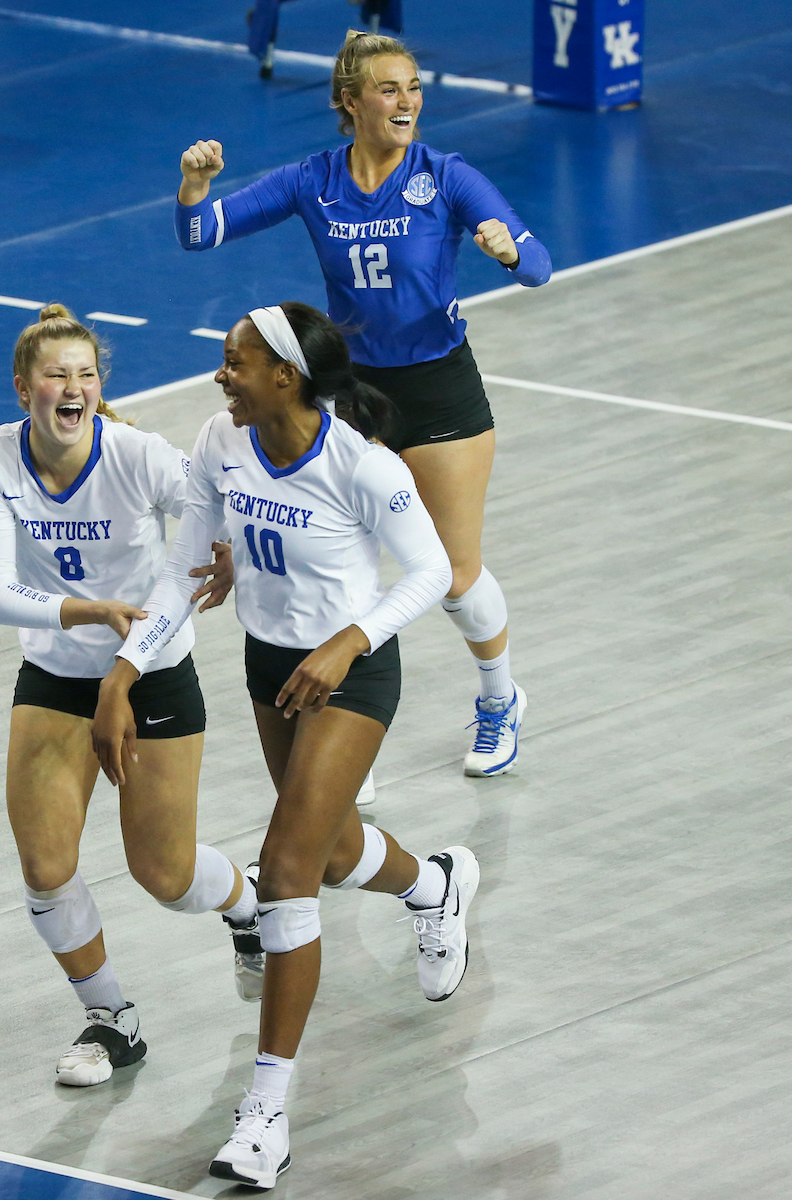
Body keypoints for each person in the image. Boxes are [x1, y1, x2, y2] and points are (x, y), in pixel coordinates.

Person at [92, 302, 480, 1188]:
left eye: (234, 362)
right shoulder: (220, 443)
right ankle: (437, 885)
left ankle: (266, 1113)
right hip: (271, 669)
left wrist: (352, 638)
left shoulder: (364, 466)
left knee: (289, 865)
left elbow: (430, 571)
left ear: (285, 376)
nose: (220, 375)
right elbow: (188, 565)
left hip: (350, 673)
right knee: (335, 850)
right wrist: (123, 669)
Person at [173, 29, 552, 778]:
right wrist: (194, 184)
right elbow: (199, 234)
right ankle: (345, 727)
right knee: (341, 564)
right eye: (389, 88)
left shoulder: (445, 176)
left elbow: (537, 266)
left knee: (452, 572)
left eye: (413, 86)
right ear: (350, 102)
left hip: (439, 384)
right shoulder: (313, 180)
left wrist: (507, 251)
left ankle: (499, 697)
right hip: (349, 392)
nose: (407, 100)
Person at [0, 304, 260, 1087]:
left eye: (86, 374)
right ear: (22, 387)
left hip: (154, 668)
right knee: (44, 864)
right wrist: (88, 611)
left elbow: (211, 519)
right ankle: (111, 1019)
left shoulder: (137, 455)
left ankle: (244, 899)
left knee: (164, 876)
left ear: (100, 387)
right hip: (57, 676)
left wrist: (228, 550)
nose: (73, 387)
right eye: (57, 375)